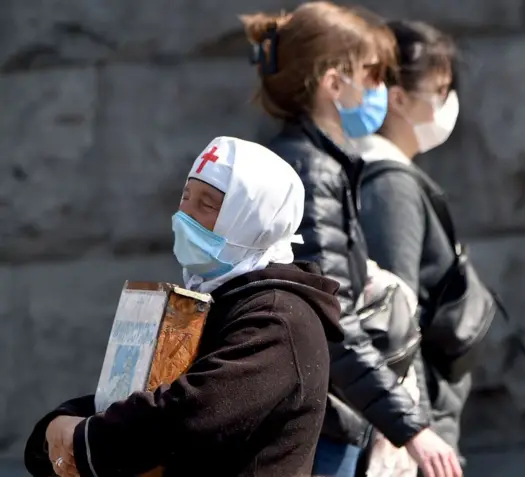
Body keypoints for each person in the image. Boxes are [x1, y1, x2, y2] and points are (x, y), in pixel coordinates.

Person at [23, 136, 344, 477]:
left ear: (255, 220)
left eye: (207, 205)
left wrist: (83, 438)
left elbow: (192, 411)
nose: (184, 216)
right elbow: (142, 390)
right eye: (186, 197)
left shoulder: (277, 317)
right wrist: (61, 424)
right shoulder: (223, 299)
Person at [242, 4, 461, 477]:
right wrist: (412, 429)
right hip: (325, 430)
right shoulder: (312, 171)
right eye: (374, 75)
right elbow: (334, 320)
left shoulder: (311, 161)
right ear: (334, 82)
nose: (380, 90)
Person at [354, 20, 472, 468]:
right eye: (439, 91)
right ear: (398, 98)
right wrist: (418, 433)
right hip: (420, 432)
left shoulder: (382, 173)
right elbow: (397, 321)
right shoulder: (390, 185)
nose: (447, 104)